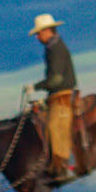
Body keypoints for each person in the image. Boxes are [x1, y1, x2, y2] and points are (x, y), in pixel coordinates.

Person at [28, 13, 78, 179]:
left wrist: (36, 87)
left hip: (62, 95)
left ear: (48, 31)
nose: (37, 37)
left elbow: (56, 79)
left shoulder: (55, 48)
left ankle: (67, 166)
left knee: (55, 127)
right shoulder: (53, 47)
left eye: (39, 33)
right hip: (56, 94)